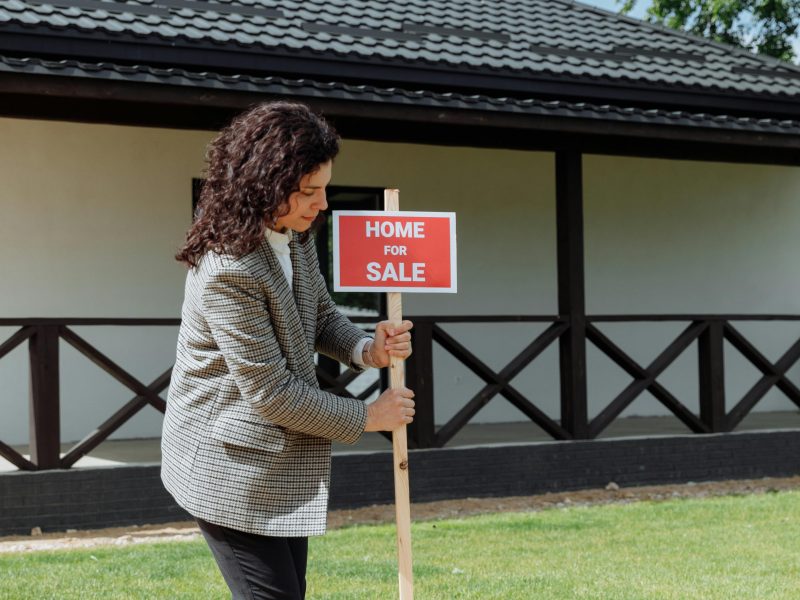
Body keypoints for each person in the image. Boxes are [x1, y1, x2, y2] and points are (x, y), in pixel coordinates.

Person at [161, 101, 415, 600]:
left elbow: (320, 316)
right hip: (228, 468)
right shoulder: (228, 268)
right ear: (264, 186)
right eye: (308, 192)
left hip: (277, 464)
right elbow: (272, 393)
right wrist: (368, 415)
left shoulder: (291, 236)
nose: (322, 204)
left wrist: (370, 350)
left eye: (323, 188)